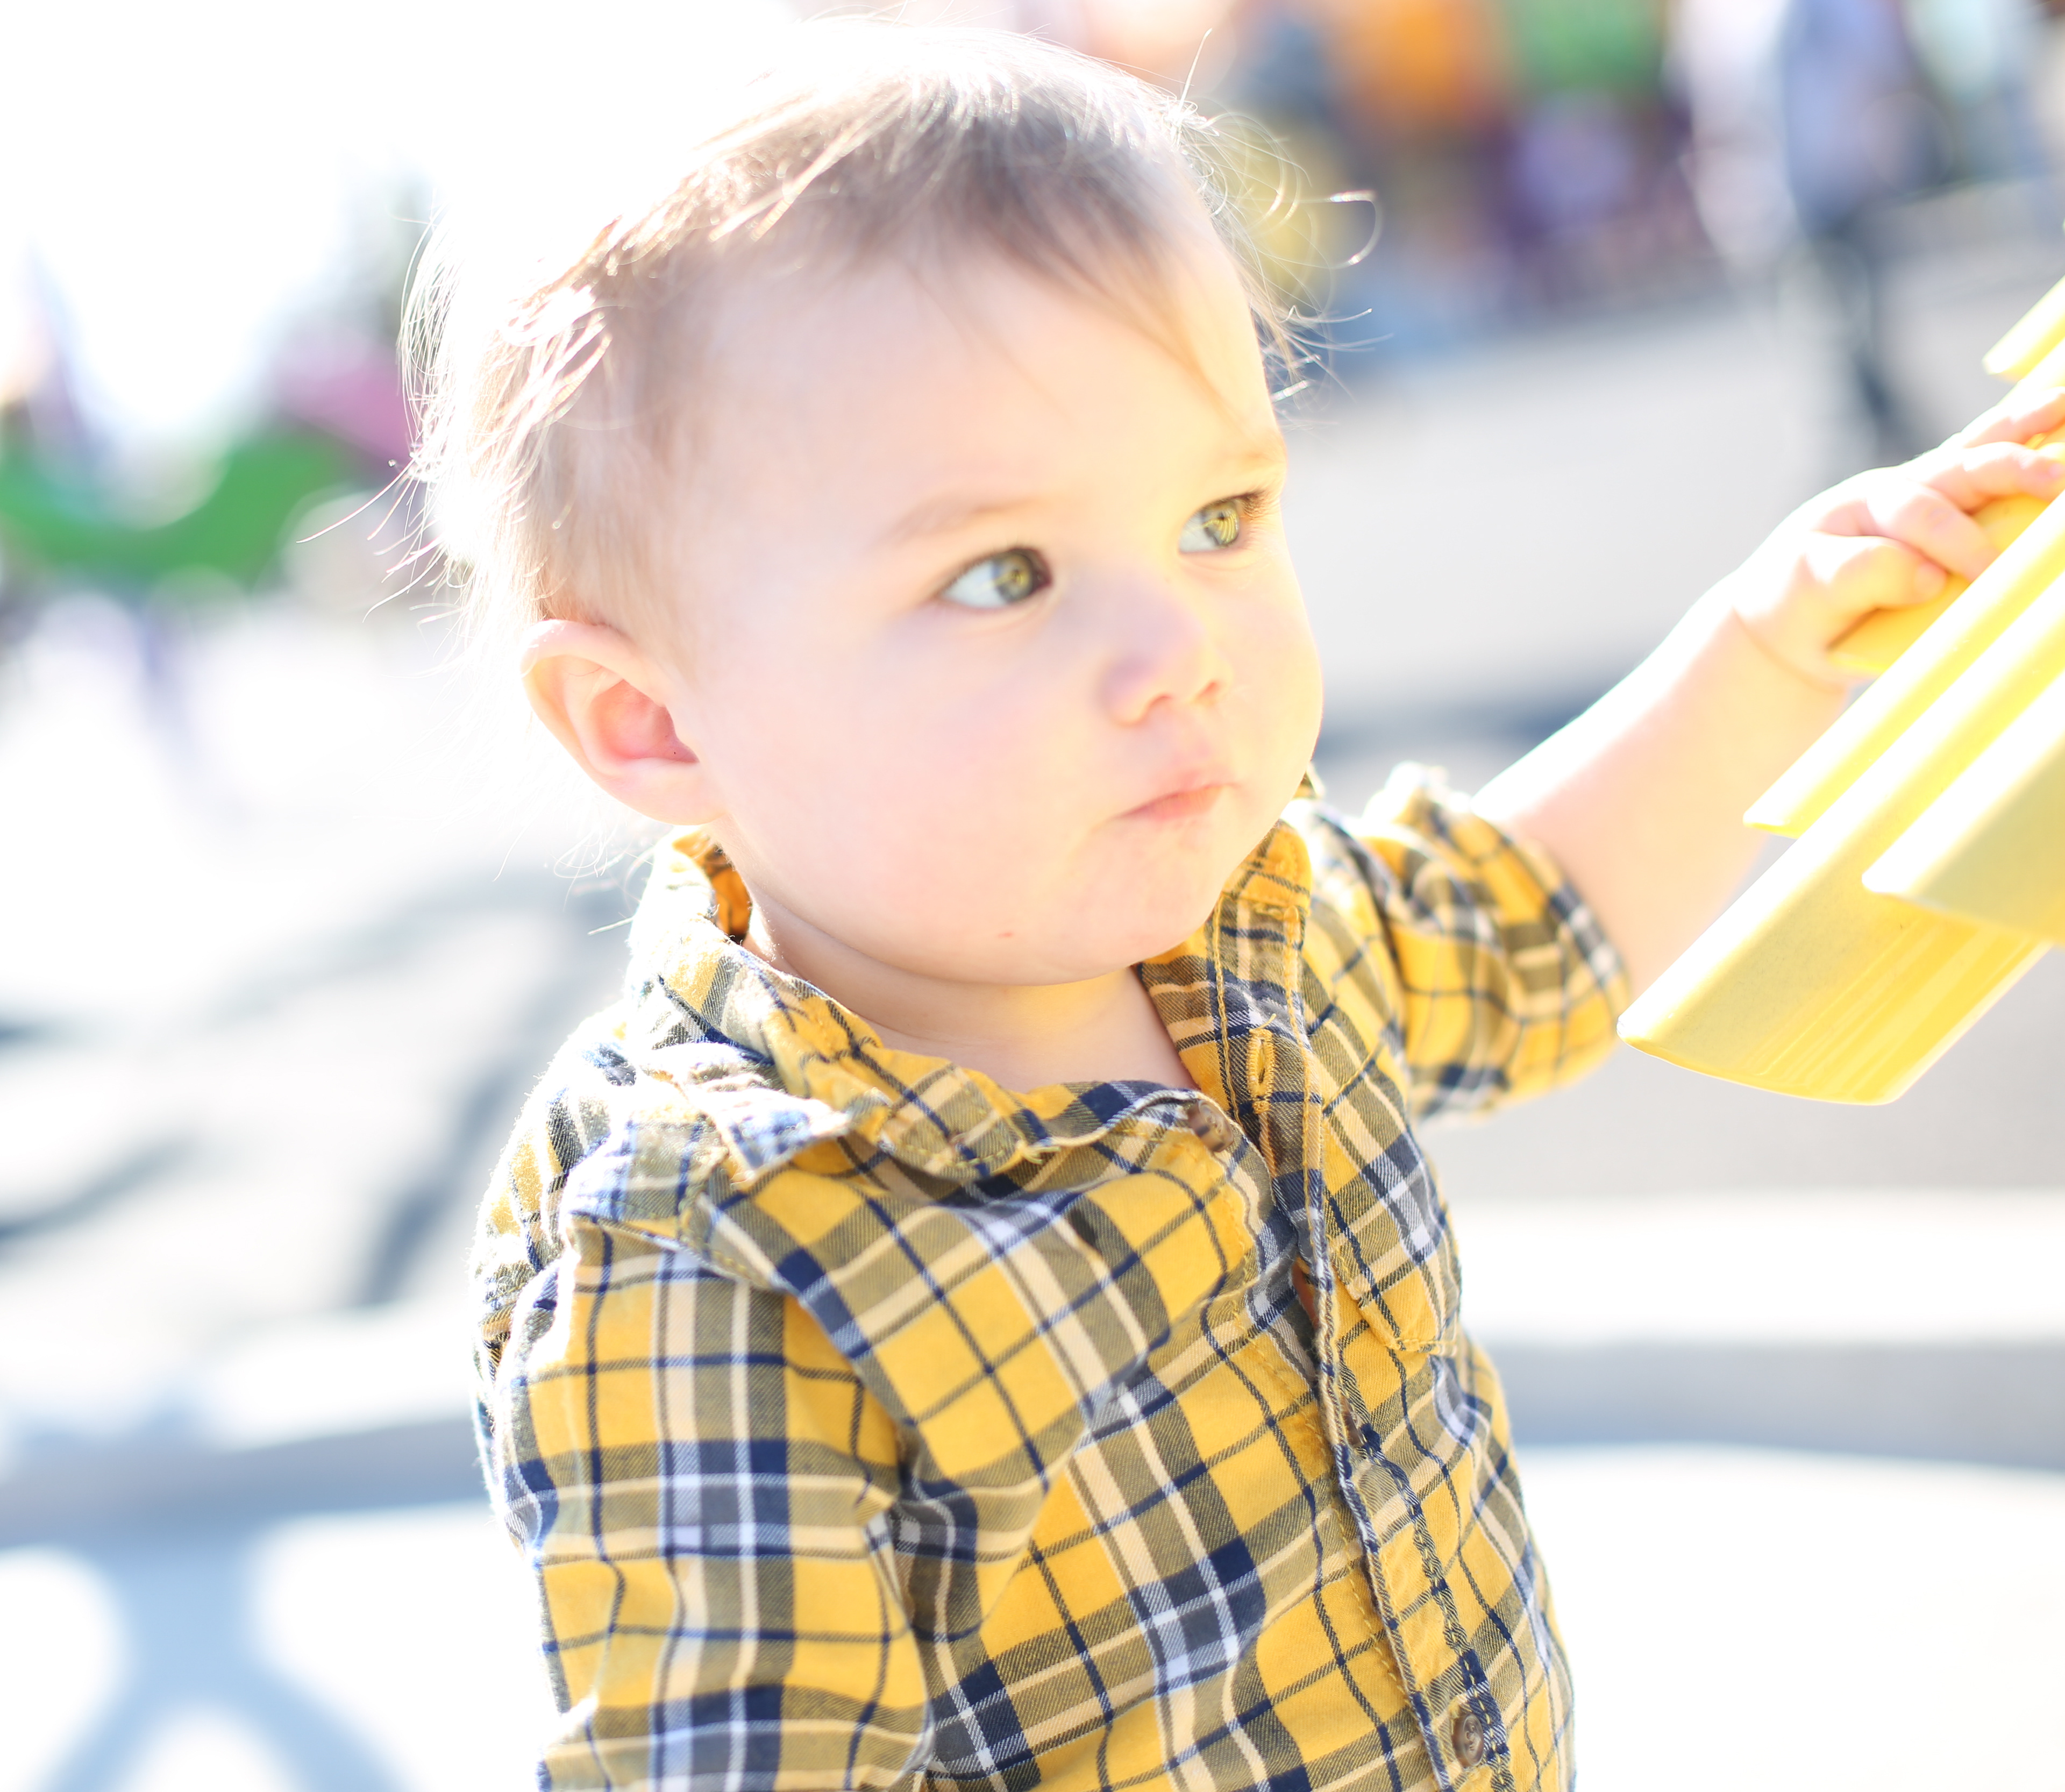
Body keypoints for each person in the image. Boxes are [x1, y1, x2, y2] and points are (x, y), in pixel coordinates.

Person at [416, 20, 2065, 1788]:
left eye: (1219, 516)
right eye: (1004, 573)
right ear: (653, 721)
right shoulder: (717, 1252)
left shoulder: (1249, 922)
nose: (1179, 649)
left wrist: (1765, 650)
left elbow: (1534, 926)